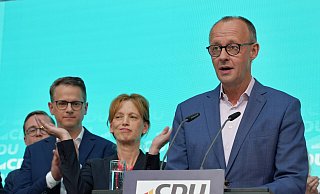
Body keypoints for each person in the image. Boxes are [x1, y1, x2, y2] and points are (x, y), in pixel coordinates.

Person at [165, 16, 308, 194]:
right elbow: (173, 178)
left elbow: (293, 180)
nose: (223, 56)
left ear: (254, 51)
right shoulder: (188, 112)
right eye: (216, 48)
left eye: (233, 48)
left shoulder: (284, 108)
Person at [39, 93, 171, 193]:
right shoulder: (95, 167)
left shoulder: (160, 167)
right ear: (111, 126)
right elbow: (75, 191)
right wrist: (65, 138)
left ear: (145, 127)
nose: (125, 122)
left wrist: (154, 152)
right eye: (119, 117)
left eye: (133, 117)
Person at [13, 76, 116, 194]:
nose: (69, 109)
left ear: (85, 108)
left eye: (76, 104)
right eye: (62, 103)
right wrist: (52, 178)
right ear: (51, 108)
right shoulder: (34, 151)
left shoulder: (106, 149)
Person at [4, 110, 55, 193]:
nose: (38, 133)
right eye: (32, 130)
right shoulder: (13, 178)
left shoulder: (68, 168)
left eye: (44, 129)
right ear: (25, 140)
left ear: (55, 134)